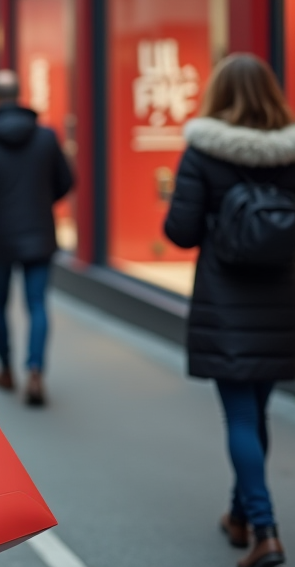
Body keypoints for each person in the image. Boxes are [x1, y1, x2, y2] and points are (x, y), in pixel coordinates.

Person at [163, 54, 295, 567]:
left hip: (227, 302)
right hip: (282, 297)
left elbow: (181, 231)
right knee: (256, 410)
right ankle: (240, 515)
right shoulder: (290, 153)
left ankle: (265, 530)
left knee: (240, 414)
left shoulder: (203, 153)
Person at [0, 70, 73, 406]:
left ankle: (6, 370)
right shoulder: (46, 137)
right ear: (19, 95)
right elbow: (66, 181)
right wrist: (40, 201)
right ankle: (35, 371)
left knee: (0, 305)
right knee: (37, 304)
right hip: (39, 232)